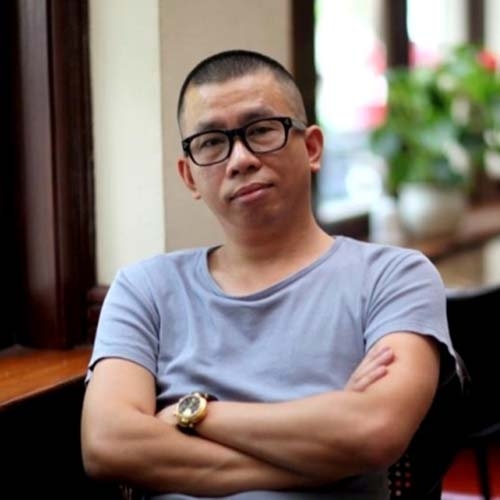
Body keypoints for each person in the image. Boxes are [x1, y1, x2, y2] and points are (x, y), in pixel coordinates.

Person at [81, 49, 458, 499]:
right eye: (211, 142)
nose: (240, 159)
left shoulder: (393, 276)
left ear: (312, 148)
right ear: (189, 176)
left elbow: (375, 431)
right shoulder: (144, 289)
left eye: (261, 131)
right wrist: (323, 450)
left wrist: (192, 414)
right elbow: (107, 444)